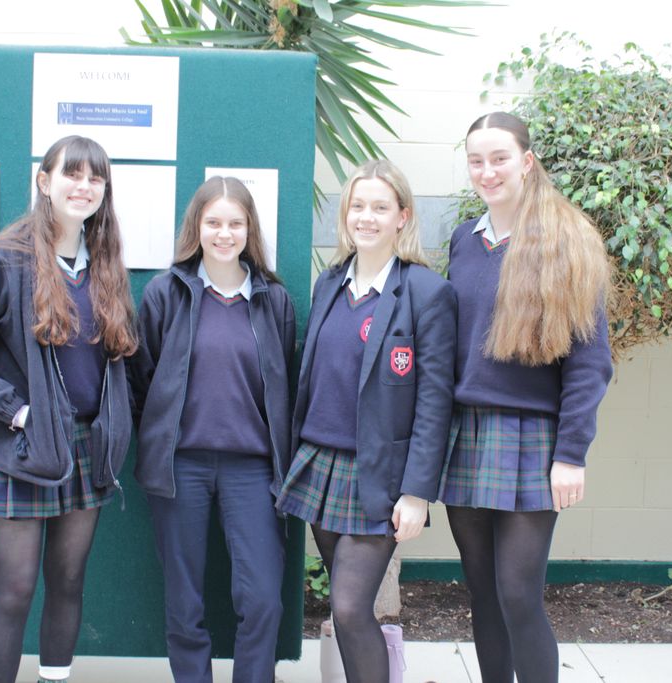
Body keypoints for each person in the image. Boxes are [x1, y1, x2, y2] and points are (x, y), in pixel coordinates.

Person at [0, 135, 137, 683]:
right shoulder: (3, 260)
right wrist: (18, 412)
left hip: (86, 449)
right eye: (72, 174)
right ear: (44, 182)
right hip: (21, 450)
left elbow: (121, 359)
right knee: (15, 589)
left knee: (68, 583)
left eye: (95, 178)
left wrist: (117, 421)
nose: (84, 186)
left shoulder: (106, 263)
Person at [440, 111, 613, 683]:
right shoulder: (464, 240)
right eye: (476, 161)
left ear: (527, 161)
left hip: (532, 437)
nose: (487, 172)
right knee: (482, 591)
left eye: (500, 159)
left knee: (517, 593)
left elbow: (590, 362)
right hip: (466, 431)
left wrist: (571, 454)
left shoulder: (568, 239)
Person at [276, 159, 456, 683]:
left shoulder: (426, 292)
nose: (367, 217)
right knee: (344, 611)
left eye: (380, 207)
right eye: (358, 206)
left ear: (403, 216)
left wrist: (417, 493)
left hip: (379, 476)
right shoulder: (329, 283)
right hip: (320, 463)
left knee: (352, 608)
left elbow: (435, 402)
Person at [128, 176, 296, 683]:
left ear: (250, 229)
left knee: (263, 598)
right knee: (184, 601)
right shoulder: (165, 294)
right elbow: (141, 380)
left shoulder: (273, 300)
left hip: (253, 468)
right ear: (196, 227)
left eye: (235, 223)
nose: (225, 233)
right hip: (181, 468)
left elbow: (284, 385)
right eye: (214, 222)